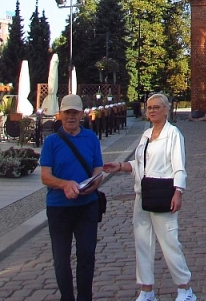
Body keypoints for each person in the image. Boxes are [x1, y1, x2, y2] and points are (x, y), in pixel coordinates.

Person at [103, 93, 196, 301]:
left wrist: (178, 192)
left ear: (166, 110)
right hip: (143, 194)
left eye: (156, 107)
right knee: (143, 243)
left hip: (163, 192)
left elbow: (179, 167)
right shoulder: (146, 135)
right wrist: (119, 166)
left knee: (169, 242)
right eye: (149, 107)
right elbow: (139, 165)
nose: (152, 110)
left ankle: (185, 288)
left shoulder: (173, 134)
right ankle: (146, 290)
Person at [41, 94, 103, 301]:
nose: (71, 117)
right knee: (61, 258)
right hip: (59, 207)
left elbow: (98, 168)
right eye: (67, 112)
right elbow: (45, 176)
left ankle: (85, 297)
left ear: (82, 115)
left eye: (75, 112)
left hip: (87, 206)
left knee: (86, 254)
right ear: (60, 115)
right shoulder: (51, 142)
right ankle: (66, 297)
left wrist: (94, 183)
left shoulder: (91, 138)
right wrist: (64, 184)